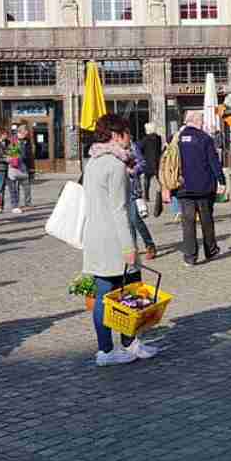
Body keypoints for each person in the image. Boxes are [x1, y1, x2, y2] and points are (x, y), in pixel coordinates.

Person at [81, 113, 158, 366]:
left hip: (95, 236)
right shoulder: (115, 166)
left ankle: (112, 347)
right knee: (130, 291)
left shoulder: (92, 162)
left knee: (105, 293)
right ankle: (122, 344)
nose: (130, 138)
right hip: (114, 239)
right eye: (127, 133)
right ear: (116, 136)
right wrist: (128, 246)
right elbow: (120, 210)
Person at [166, 110, 226, 266]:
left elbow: (168, 162)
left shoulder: (175, 139)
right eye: (201, 121)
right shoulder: (205, 138)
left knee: (188, 222)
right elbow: (214, 162)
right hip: (204, 187)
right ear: (197, 121)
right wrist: (221, 180)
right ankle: (210, 250)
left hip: (183, 187)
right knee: (206, 220)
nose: (203, 123)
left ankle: (190, 257)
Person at [127, 140, 157, 258]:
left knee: (135, 219)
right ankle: (132, 247)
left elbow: (142, 163)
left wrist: (133, 170)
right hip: (119, 189)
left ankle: (149, 244)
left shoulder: (132, 146)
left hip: (132, 188)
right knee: (127, 221)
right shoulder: (112, 148)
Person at [8, 124, 34, 212]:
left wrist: (31, 168)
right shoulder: (13, 140)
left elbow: (30, 155)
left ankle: (28, 204)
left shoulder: (27, 141)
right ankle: (15, 205)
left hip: (24, 166)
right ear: (21, 132)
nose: (27, 134)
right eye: (26, 132)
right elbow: (12, 153)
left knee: (27, 186)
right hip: (15, 167)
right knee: (15, 187)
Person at [141, 122, 163, 216]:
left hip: (148, 161)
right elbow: (159, 149)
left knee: (147, 179)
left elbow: (141, 149)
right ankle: (162, 193)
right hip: (156, 161)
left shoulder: (145, 139)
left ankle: (146, 196)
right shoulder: (158, 138)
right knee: (159, 179)